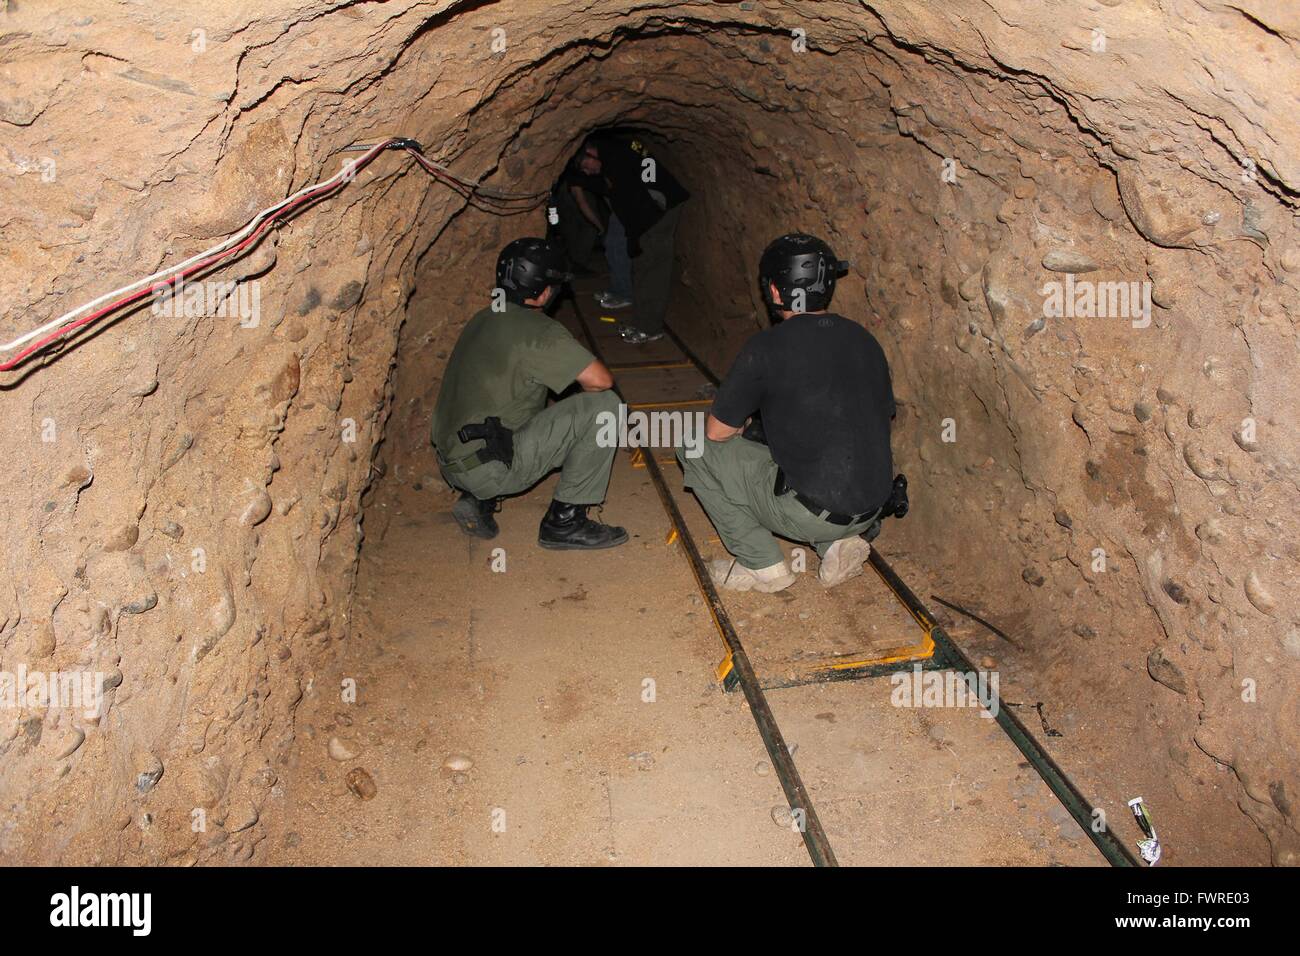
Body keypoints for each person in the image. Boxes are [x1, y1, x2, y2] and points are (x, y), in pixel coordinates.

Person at [677, 233, 896, 592]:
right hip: (871, 504)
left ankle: (762, 565)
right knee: (819, 456)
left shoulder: (767, 347)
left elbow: (716, 433)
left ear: (776, 292)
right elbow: (871, 420)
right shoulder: (864, 340)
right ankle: (838, 544)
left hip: (807, 512)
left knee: (694, 447)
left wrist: (742, 422)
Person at [431, 238, 629, 550]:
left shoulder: (483, 317)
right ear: (544, 291)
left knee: (515, 405)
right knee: (605, 406)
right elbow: (601, 381)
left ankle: (478, 499)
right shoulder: (540, 331)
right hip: (488, 467)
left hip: (453, 461)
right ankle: (565, 521)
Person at [568, 135, 690, 344]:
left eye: (585, 165)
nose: (587, 172)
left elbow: (637, 203)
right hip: (652, 208)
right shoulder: (613, 153)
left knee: (652, 268)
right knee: (645, 265)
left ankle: (649, 328)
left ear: (591, 151)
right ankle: (643, 323)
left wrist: (635, 239)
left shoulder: (617, 158)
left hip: (657, 210)